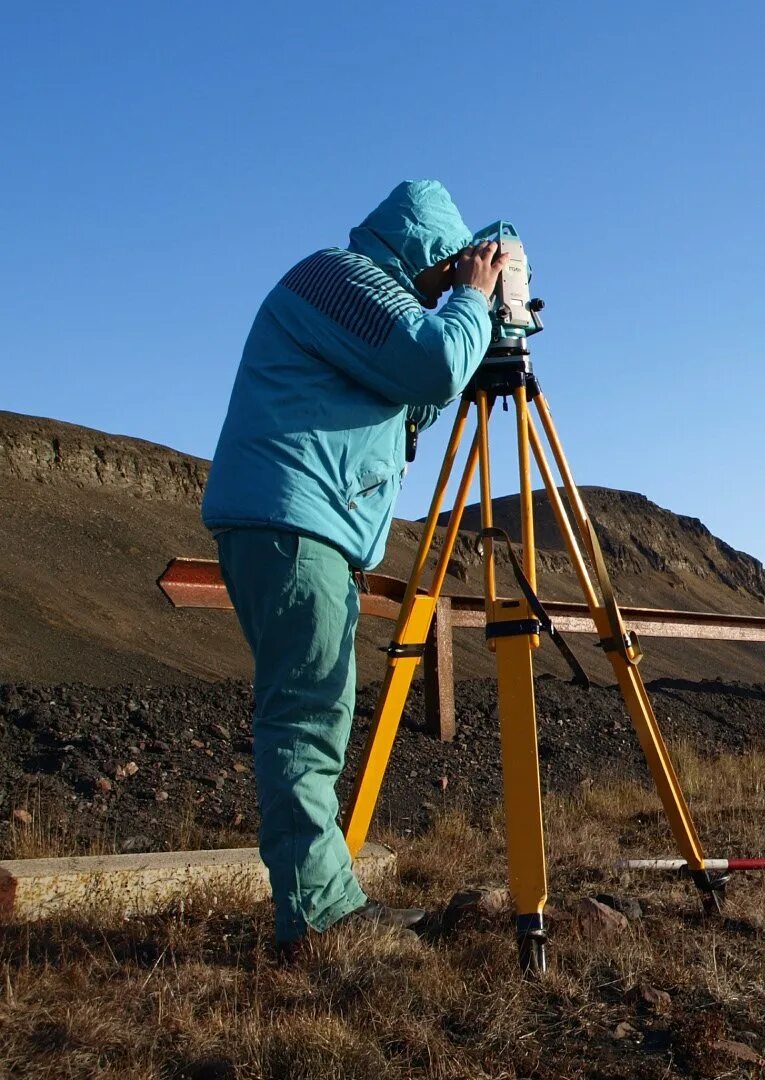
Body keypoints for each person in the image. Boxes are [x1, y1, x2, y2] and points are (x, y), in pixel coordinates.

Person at [201, 180, 508, 952]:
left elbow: (417, 396)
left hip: (295, 522)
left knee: (313, 715)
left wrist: (488, 325)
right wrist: (473, 301)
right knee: (305, 721)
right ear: (428, 250)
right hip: (292, 520)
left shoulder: (366, 298)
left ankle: (325, 901)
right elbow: (431, 363)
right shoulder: (341, 277)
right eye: (450, 268)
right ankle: (317, 922)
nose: (451, 284)